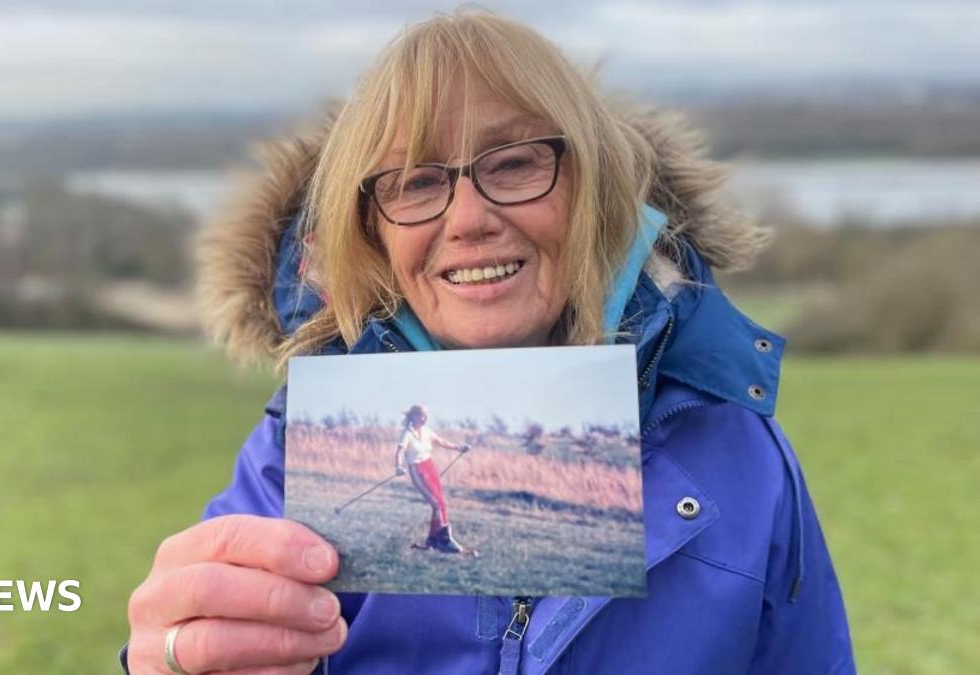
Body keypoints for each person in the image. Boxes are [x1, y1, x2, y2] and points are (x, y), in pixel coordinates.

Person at [123, 9, 855, 675]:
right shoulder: (298, 451)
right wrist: (167, 657)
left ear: (592, 188)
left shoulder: (737, 450)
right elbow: (197, 642)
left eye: (515, 162)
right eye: (414, 181)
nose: (468, 218)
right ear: (370, 230)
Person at [393, 404, 471, 553]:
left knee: (441, 502)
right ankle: (441, 539)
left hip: (430, 467)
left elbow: (442, 442)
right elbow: (400, 451)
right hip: (417, 470)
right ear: (414, 416)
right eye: (422, 415)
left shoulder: (427, 431)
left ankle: (436, 539)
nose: (425, 418)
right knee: (435, 504)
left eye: (426, 415)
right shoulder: (407, 434)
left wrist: (459, 448)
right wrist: (398, 466)